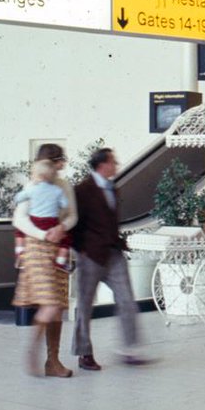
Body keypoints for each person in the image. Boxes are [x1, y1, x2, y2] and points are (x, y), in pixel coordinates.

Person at [71, 147, 149, 370]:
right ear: (102, 165)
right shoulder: (82, 190)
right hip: (90, 255)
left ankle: (129, 349)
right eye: (113, 162)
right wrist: (80, 250)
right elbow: (73, 223)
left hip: (113, 254)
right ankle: (84, 353)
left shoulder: (112, 188)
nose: (117, 165)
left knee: (126, 300)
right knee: (85, 306)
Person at [11, 143, 78, 378]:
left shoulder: (63, 186)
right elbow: (19, 219)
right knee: (50, 304)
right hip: (37, 248)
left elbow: (72, 215)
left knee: (57, 306)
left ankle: (53, 360)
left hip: (58, 246)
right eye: (60, 161)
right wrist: (44, 234)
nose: (63, 165)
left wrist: (61, 228)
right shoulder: (32, 186)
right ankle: (33, 349)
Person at [14, 159, 73, 271]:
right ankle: (60, 260)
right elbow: (65, 204)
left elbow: (18, 198)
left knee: (19, 231)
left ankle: (20, 252)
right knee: (67, 238)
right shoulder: (58, 190)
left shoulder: (32, 189)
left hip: (35, 221)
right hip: (52, 222)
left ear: (39, 176)